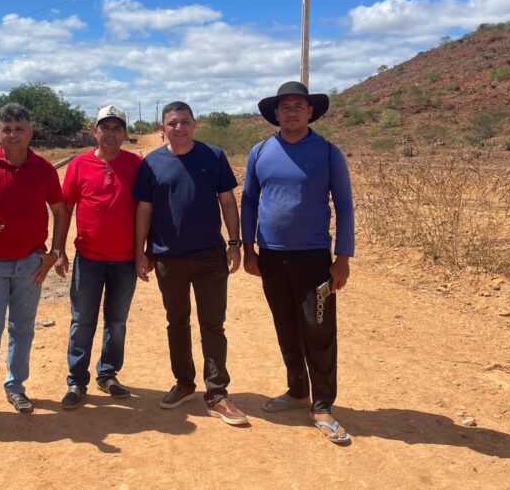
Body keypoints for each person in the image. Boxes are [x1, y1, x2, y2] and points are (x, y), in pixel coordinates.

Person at [241, 80, 354, 444]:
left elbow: (345, 205)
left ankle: (322, 405)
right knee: (286, 326)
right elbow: (248, 201)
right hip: (271, 256)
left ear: (310, 112)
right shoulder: (260, 152)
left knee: (318, 330)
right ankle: (296, 390)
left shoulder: (327, 152)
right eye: (284, 107)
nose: (290, 112)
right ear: (275, 114)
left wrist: (343, 257)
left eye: (297, 106)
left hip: (313, 258)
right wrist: (247, 248)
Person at [133, 101, 248, 426]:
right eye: (172, 123)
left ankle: (217, 393)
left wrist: (234, 243)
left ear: (194, 124)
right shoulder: (152, 163)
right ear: (162, 128)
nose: (179, 128)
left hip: (210, 256)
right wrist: (140, 251)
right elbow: (144, 209)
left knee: (213, 324)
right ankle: (184, 383)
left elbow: (227, 200)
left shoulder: (212, 156)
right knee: (177, 322)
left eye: (184, 122)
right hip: (168, 256)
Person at [0, 103, 67, 429]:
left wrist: (55, 252)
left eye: (19, 129)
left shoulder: (44, 169)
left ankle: (15, 387)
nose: (13, 134)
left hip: (31, 263)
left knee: (23, 330)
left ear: (30, 133)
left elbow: (60, 212)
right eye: (7, 129)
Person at [57, 105, 142, 409]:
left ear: (124, 133)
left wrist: (144, 252)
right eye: (104, 127)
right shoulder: (79, 166)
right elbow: (65, 208)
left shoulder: (136, 164)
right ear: (95, 131)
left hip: (125, 260)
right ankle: (76, 381)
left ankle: (107, 374)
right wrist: (59, 250)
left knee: (116, 321)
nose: (110, 133)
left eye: (117, 128)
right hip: (88, 258)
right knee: (82, 320)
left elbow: (146, 210)